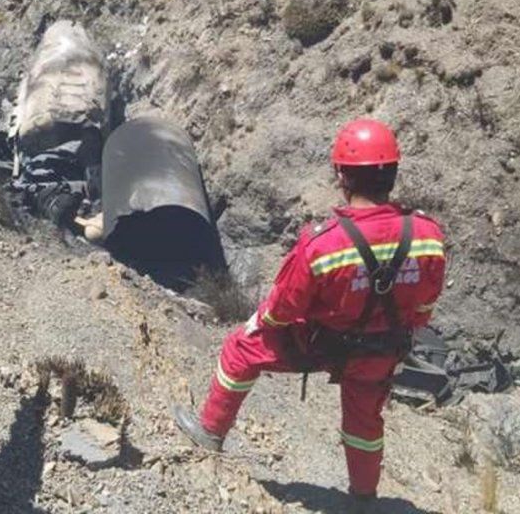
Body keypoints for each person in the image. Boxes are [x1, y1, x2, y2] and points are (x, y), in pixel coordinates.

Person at [172, 118, 447, 511]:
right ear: (393, 172)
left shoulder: (323, 243)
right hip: (383, 350)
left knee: (239, 349)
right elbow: (423, 309)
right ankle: (364, 497)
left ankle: (210, 431)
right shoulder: (427, 236)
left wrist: (262, 323)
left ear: (341, 175)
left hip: (323, 345)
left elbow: (284, 308)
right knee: (364, 423)